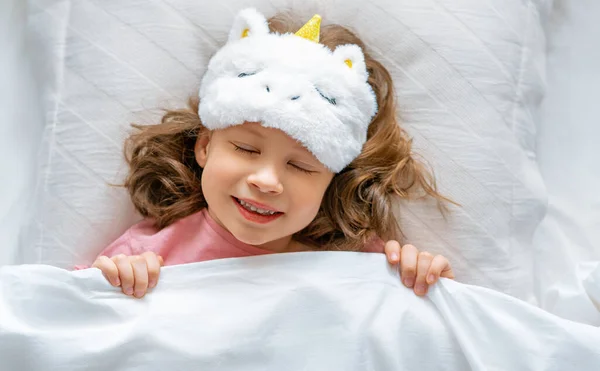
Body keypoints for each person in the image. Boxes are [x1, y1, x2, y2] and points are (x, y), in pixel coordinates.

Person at [87, 8, 455, 299]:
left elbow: (423, 337)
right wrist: (115, 287)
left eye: (301, 166)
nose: (266, 180)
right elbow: (67, 326)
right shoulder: (145, 255)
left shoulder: (361, 263)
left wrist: (425, 286)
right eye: (246, 148)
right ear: (204, 146)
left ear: (332, 181)